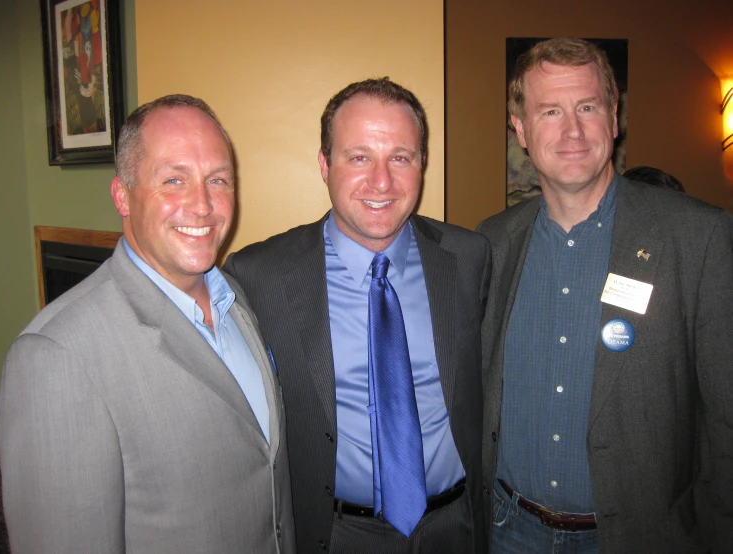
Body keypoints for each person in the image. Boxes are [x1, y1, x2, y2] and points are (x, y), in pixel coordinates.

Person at [0, 94, 295, 553]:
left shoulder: (235, 299)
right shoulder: (55, 358)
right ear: (122, 195)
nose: (203, 205)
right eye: (174, 180)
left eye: (218, 179)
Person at [478, 37, 733, 553]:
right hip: (507, 530)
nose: (572, 130)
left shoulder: (697, 237)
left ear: (614, 119)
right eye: (550, 110)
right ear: (521, 130)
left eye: (588, 107)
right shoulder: (489, 242)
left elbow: (726, 421)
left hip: (640, 538)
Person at [224, 77, 489, 553]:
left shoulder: (469, 258)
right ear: (325, 164)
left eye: (401, 158)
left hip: (456, 528)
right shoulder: (260, 275)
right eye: (360, 157)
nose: (382, 181)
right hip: (336, 534)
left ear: (422, 165)